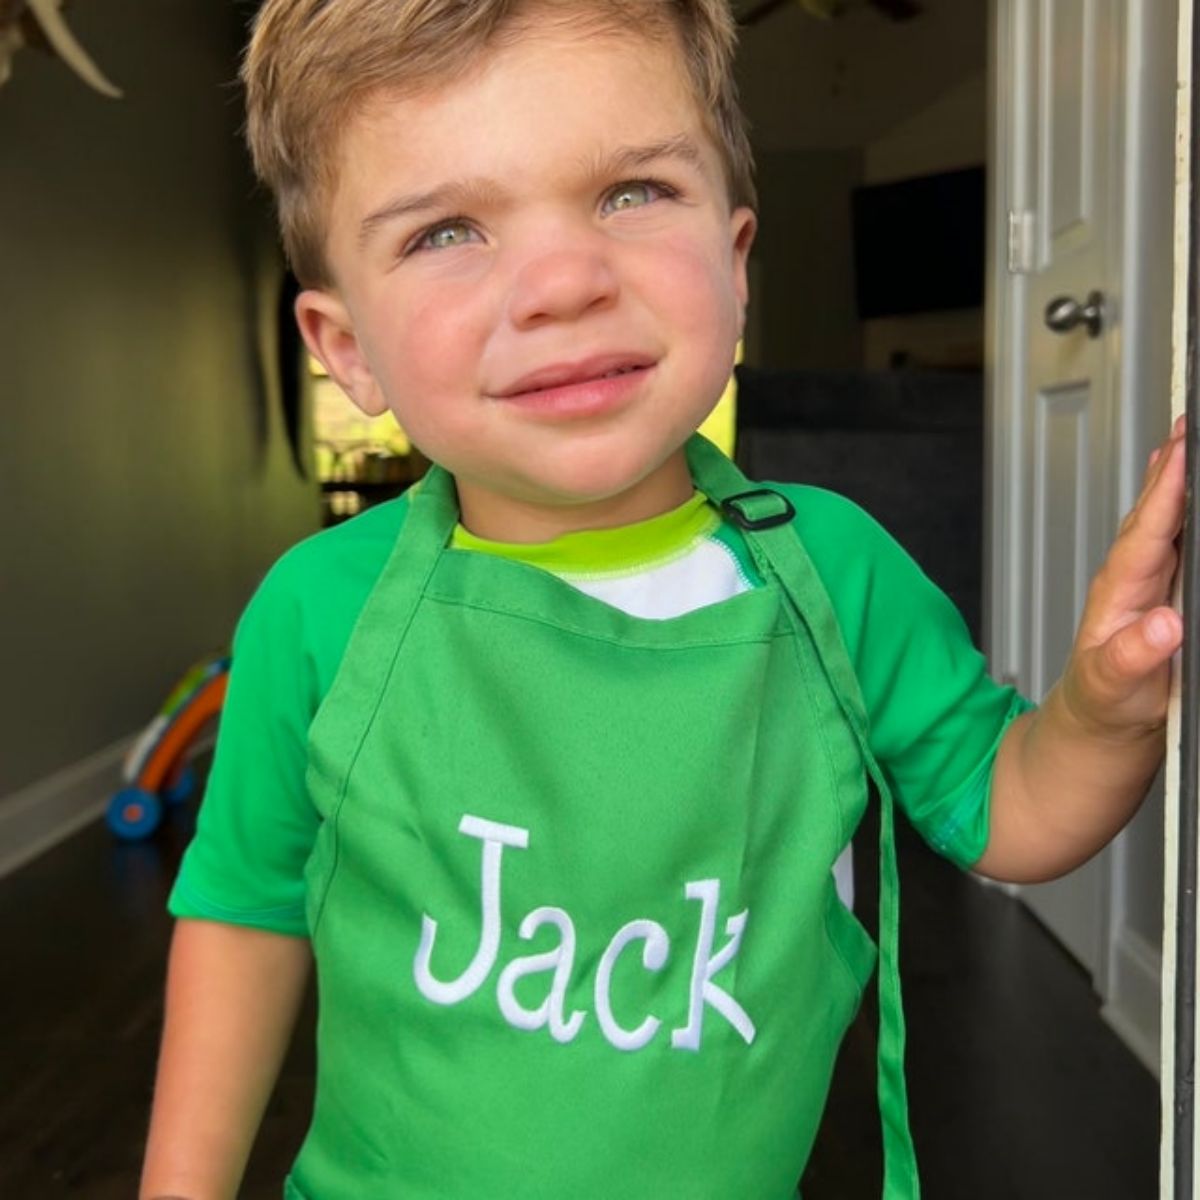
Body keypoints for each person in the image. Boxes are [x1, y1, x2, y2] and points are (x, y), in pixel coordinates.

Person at [139, 2, 1186, 1197]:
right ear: (348, 350)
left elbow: (1011, 816)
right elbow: (244, 908)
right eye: (445, 231)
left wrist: (1102, 716)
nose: (564, 281)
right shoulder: (318, 608)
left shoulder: (830, 573)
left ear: (738, 264)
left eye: (631, 191)